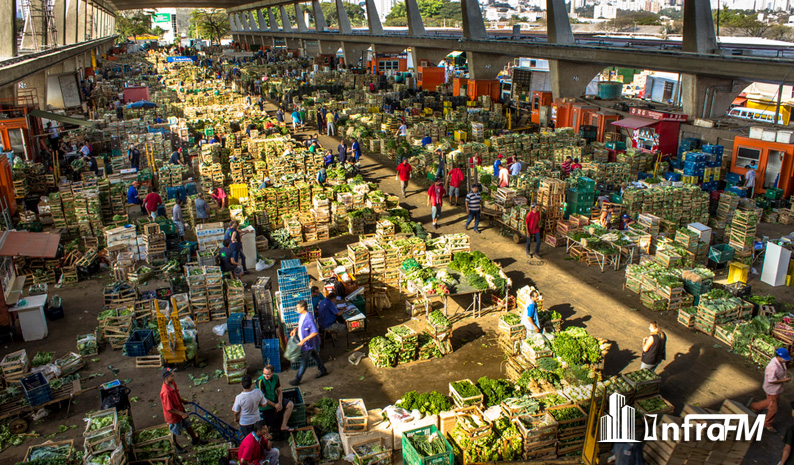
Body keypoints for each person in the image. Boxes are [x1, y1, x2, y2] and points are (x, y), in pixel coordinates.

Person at [160, 368, 205, 454]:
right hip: (173, 416)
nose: (174, 377)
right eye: (172, 376)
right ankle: (175, 446)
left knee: (187, 424)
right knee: (174, 431)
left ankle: (195, 439)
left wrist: (183, 401)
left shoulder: (172, 384)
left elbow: (176, 395)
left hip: (180, 409)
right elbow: (169, 408)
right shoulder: (166, 392)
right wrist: (181, 414)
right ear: (166, 378)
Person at [751, 347, 791, 433]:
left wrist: (785, 377)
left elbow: (783, 370)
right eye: (784, 358)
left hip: (777, 389)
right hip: (772, 389)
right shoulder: (772, 367)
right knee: (773, 408)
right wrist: (784, 380)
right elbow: (771, 380)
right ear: (778, 357)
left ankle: (755, 406)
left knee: (770, 401)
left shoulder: (781, 362)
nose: (786, 360)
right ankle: (767, 423)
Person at [289, 300, 328, 385]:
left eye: (298, 307)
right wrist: (295, 329)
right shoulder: (301, 315)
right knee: (314, 356)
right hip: (306, 343)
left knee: (304, 362)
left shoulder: (309, 318)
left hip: (308, 344)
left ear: (303, 308)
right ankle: (323, 369)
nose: (296, 309)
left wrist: (304, 340)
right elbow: (300, 325)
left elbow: (314, 332)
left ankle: (297, 379)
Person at [256, 365, 295, 433]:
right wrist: (275, 405)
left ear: (272, 373)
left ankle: (284, 425)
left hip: (274, 399)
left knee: (290, 404)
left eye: (268, 374)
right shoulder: (260, 381)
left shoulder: (275, 377)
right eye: (264, 374)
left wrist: (280, 403)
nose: (266, 376)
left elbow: (279, 391)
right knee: (270, 425)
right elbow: (262, 398)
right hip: (266, 405)